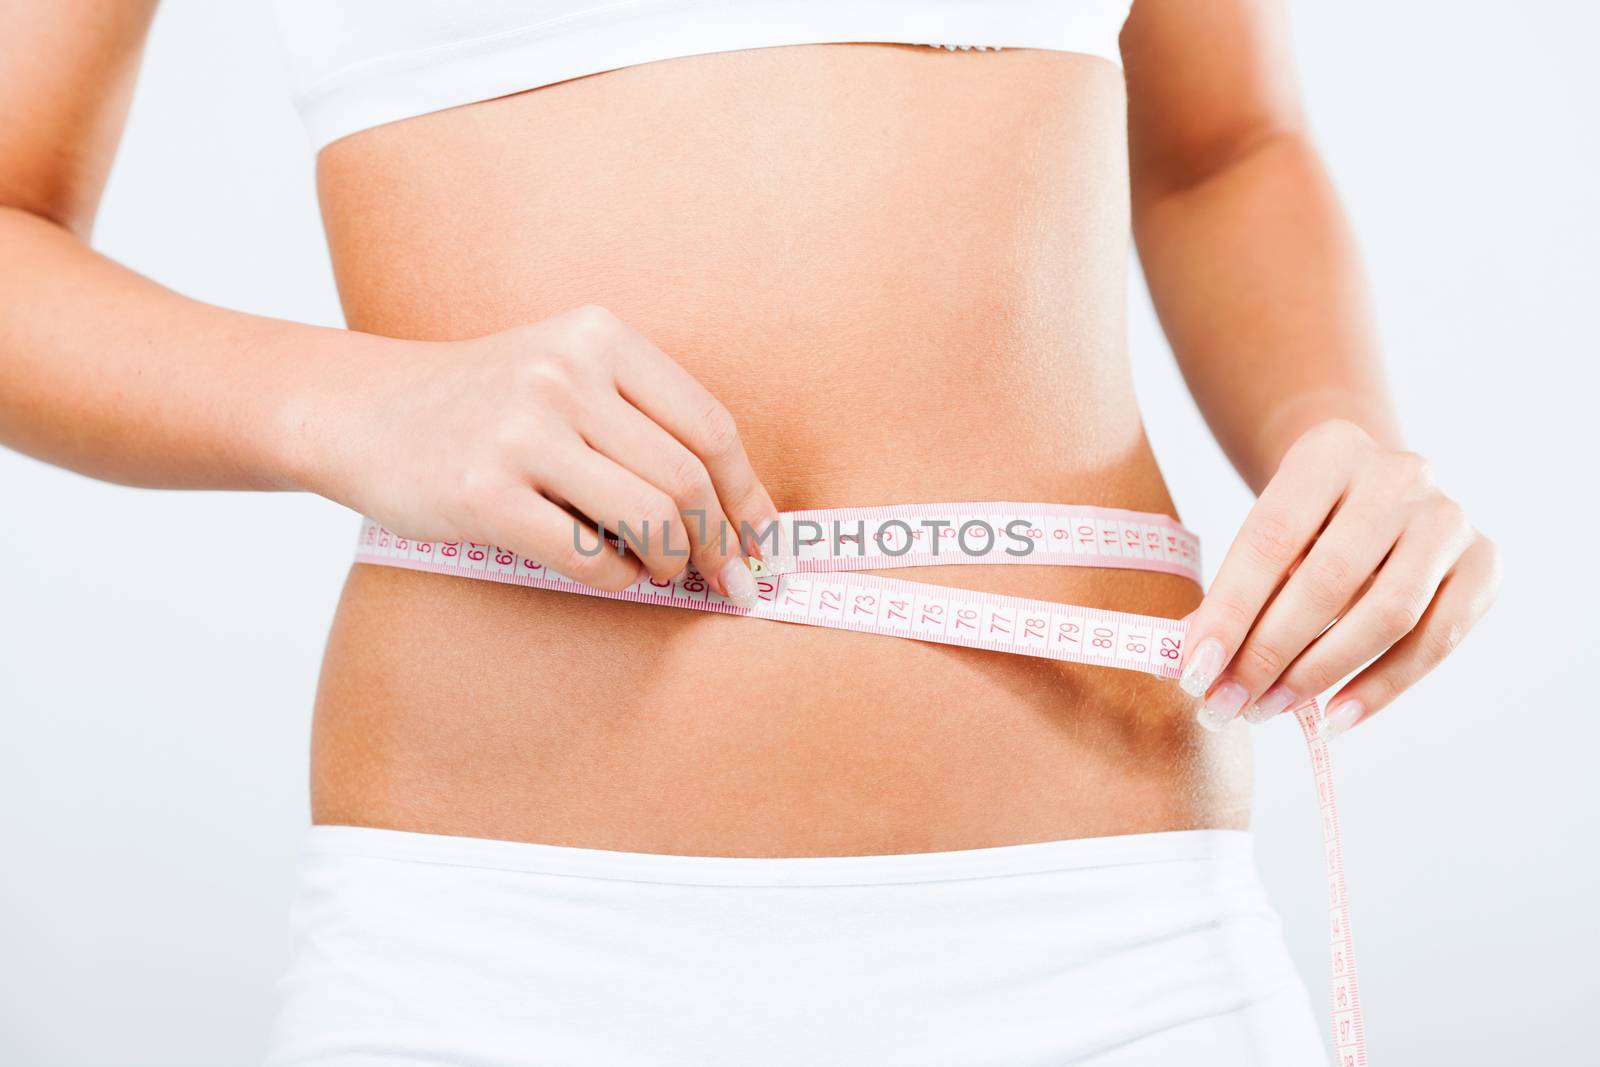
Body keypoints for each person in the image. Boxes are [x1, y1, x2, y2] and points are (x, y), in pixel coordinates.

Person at [0, 1, 1500, 1063]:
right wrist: (344, 405)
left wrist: (1338, 429)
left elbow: (1223, 145)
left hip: (1110, 935)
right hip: (489, 951)